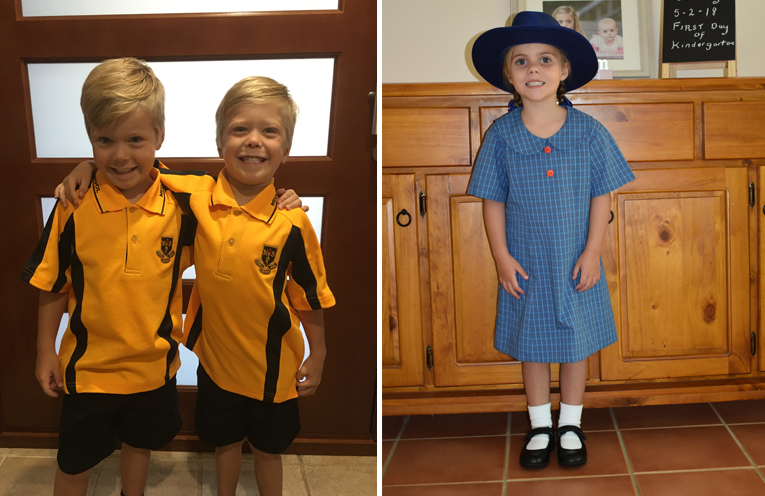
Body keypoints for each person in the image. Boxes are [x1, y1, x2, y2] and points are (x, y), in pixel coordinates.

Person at [25, 58, 303, 496]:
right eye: (104, 140)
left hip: (154, 369)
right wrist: (45, 352)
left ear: (159, 137)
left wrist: (286, 199)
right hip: (88, 370)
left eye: (135, 139)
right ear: (90, 140)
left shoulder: (184, 201)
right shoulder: (72, 207)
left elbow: (242, 201)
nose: (120, 154)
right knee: (75, 460)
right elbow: (51, 284)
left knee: (141, 446)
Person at [470, 12, 634, 468]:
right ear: (509, 75)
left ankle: (571, 423)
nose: (534, 69)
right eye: (521, 62)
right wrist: (502, 257)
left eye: (545, 60)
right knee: (533, 345)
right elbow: (491, 201)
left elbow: (603, 192)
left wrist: (593, 251)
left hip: (576, 262)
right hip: (527, 265)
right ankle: (541, 423)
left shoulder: (589, 131)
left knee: (576, 343)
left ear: (564, 71)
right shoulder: (501, 135)